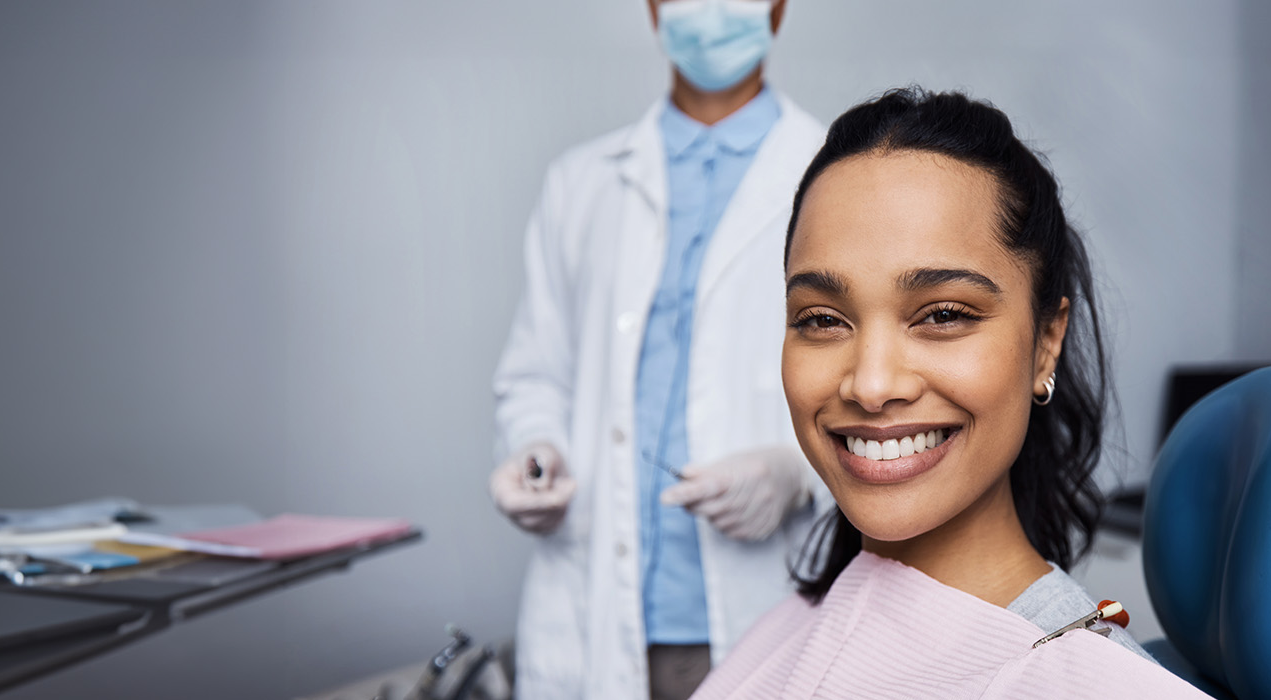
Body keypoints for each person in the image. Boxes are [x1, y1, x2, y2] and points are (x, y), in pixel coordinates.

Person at [688, 88, 1212, 698]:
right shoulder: (785, 630)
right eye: (823, 319)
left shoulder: (1091, 683)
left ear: (1046, 341)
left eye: (942, 315)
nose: (872, 385)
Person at [487, 1, 828, 698]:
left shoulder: (832, 176)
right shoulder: (581, 182)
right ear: (651, 10)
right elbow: (536, 373)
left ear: (779, 7)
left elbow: (878, 385)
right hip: (593, 613)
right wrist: (537, 449)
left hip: (757, 611)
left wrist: (800, 474)